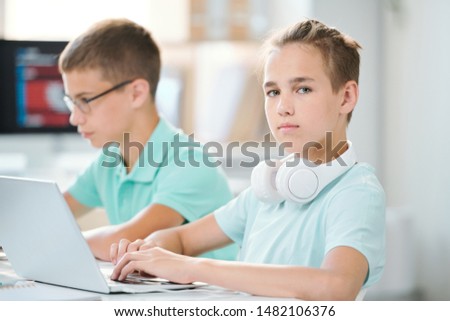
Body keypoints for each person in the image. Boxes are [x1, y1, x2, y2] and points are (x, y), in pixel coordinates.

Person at [109, 19, 386, 300]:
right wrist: (147, 252)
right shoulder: (269, 189)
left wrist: (193, 268)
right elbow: (181, 238)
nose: (282, 107)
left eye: (302, 89)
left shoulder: (356, 191)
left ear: (346, 97)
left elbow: (335, 286)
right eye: (273, 92)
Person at [59, 18, 236, 261]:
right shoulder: (110, 160)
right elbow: (50, 214)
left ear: (136, 93)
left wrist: (58, 241)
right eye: (71, 101)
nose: (74, 118)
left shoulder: (191, 162)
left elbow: (122, 243)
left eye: (85, 101)